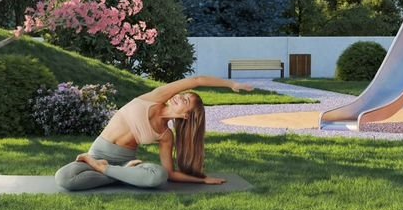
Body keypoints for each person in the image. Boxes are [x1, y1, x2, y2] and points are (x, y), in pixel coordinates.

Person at [55, 76, 254, 190]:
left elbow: (170, 174)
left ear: (186, 116)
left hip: (125, 162)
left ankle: (108, 170)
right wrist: (231, 84)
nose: (179, 97)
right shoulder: (155, 98)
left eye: (185, 101)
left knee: (158, 176)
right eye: (183, 95)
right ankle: (117, 173)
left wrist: (202, 180)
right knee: (64, 178)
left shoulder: (166, 135)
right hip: (98, 154)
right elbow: (197, 80)